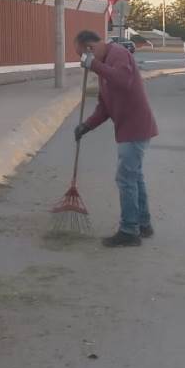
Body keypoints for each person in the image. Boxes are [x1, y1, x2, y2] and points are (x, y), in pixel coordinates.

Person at [72, 30, 158, 248]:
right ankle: (143, 224)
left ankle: (129, 231)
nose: (82, 60)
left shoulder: (117, 54)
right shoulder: (104, 66)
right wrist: (86, 126)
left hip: (135, 126)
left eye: (82, 55)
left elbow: (123, 80)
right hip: (129, 128)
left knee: (126, 179)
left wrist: (94, 65)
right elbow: (105, 106)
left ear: (90, 48)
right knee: (134, 177)